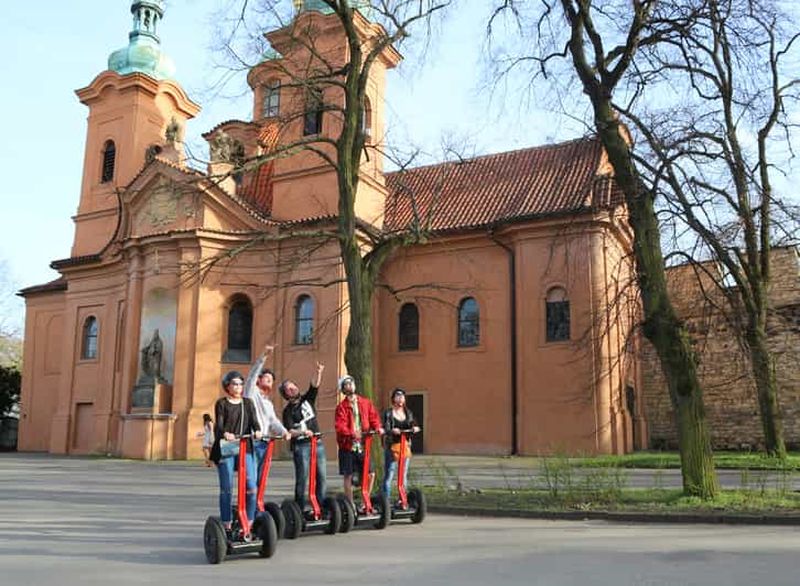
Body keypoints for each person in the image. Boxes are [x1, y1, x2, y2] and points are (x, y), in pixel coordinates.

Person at [209, 371, 262, 534]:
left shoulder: (248, 403)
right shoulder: (222, 403)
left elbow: (254, 421)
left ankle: (249, 521)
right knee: (227, 487)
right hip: (226, 447)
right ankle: (226, 522)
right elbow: (219, 424)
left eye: (240, 384)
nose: (238, 387)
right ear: (227, 386)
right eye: (234, 384)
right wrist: (225, 433)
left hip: (245, 446)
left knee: (252, 487)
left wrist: (258, 431)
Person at [280, 361, 326, 514]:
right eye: (289, 388)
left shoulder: (307, 400)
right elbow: (290, 430)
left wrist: (318, 371)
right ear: (286, 394)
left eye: (294, 386)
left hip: (317, 443)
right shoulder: (287, 411)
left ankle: (320, 507)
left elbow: (314, 386)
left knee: (321, 477)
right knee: (302, 478)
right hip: (302, 446)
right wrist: (302, 433)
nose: (293, 389)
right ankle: (298, 511)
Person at [243, 343, 292, 481]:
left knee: (261, 476)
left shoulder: (268, 403)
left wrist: (283, 431)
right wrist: (263, 357)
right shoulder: (251, 393)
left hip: (265, 442)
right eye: (267, 378)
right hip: (252, 441)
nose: (270, 381)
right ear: (259, 380)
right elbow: (252, 376)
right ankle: (248, 501)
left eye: (272, 380)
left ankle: (257, 500)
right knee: (250, 477)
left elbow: (273, 421)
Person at [334, 375, 384, 508]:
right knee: (348, 476)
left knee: (371, 473)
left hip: (363, 445)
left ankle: (364, 500)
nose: (349, 386)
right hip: (348, 446)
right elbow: (340, 426)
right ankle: (350, 505)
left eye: (351, 383)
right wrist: (351, 433)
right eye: (346, 384)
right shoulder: (341, 407)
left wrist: (378, 427)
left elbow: (373, 417)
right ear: (343, 389)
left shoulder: (365, 402)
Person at [381, 388, 420, 499]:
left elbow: (412, 423)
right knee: (389, 474)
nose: (400, 398)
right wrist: (392, 430)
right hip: (392, 446)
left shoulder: (407, 412)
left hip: (404, 446)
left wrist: (414, 428)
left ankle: (402, 499)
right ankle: (386, 500)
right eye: (398, 396)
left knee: (403, 475)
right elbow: (386, 427)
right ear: (393, 398)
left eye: (402, 396)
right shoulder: (388, 413)